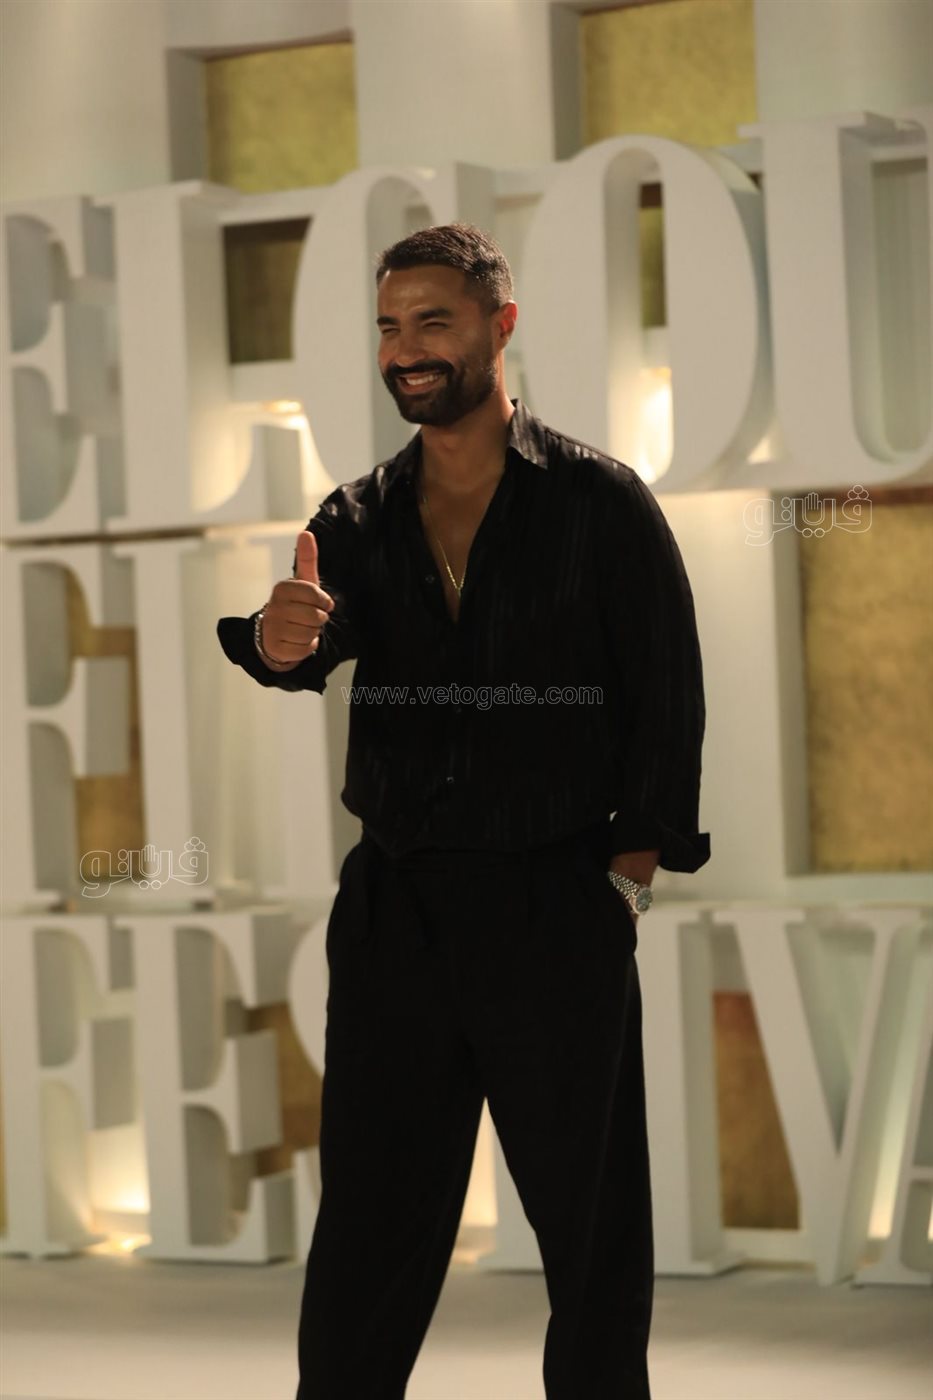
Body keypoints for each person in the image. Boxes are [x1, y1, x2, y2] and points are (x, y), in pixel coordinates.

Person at [217, 222, 710, 1399]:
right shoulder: (357, 515)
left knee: (592, 1232)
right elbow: (305, 637)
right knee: (367, 1229)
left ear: (501, 325)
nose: (407, 348)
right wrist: (275, 642)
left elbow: (668, 697)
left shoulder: (600, 501)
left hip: (556, 905)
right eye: (389, 326)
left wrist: (626, 883)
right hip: (396, 912)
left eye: (433, 320)